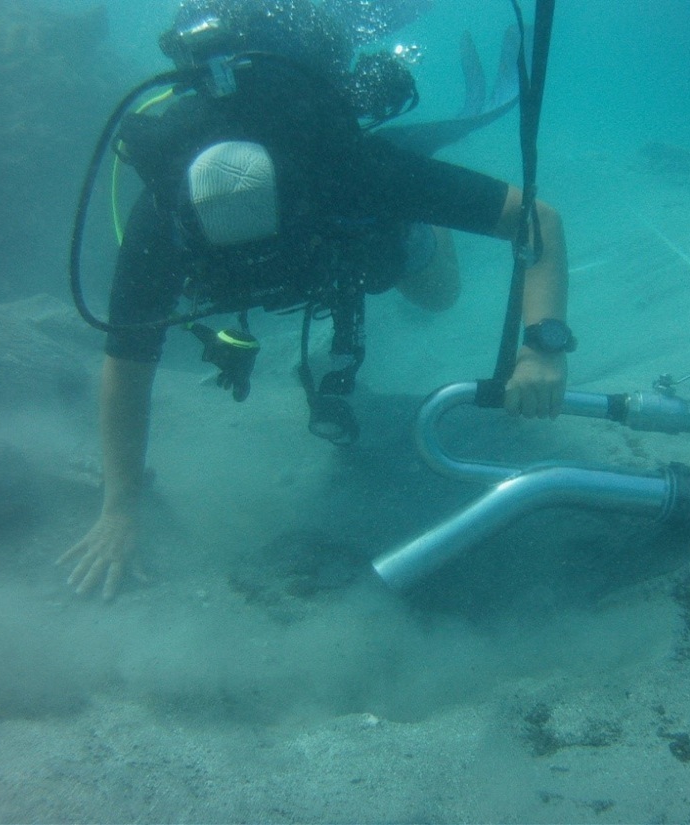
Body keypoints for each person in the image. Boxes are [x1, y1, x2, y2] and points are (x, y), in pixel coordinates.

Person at [59, 0, 573, 600]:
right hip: (323, 226)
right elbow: (127, 362)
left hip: (362, 238)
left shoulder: (348, 169)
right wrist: (119, 506)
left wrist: (542, 348)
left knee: (438, 297)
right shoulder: (162, 218)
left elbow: (538, 222)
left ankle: (422, 224)